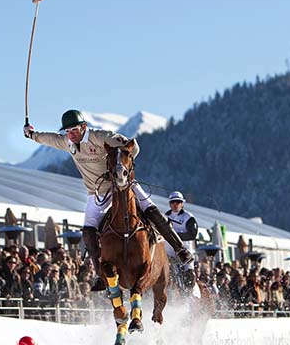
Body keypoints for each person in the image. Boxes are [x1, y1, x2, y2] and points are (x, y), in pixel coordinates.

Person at [24, 109, 192, 291]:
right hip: (97, 194)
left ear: (84, 127)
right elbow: (50, 139)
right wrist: (32, 134)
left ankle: (180, 249)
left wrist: (120, 168)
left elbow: (132, 147)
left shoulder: (100, 137)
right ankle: (100, 274)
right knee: (88, 233)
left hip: (123, 186)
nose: (70, 134)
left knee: (152, 211)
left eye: (74, 130)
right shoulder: (68, 142)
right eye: (67, 131)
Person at [164, 191, 199, 290]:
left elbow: (193, 234)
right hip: (168, 253)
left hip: (184, 253)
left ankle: (188, 294)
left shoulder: (188, 217)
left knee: (189, 275)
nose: (175, 205)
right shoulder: (164, 217)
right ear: (170, 204)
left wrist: (175, 235)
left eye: (178, 202)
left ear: (182, 203)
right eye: (173, 202)